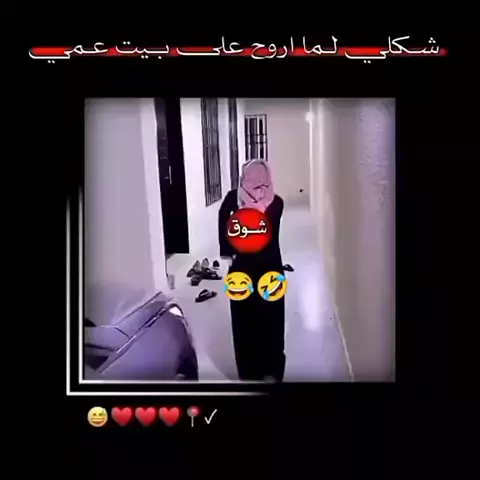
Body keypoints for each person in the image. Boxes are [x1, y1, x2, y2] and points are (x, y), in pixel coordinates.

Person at [218, 160, 286, 381]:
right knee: (272, 321)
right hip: (271, 268)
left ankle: (248, 372)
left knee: (243, 322)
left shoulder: (233, 199)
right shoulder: (276, 202)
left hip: (241, 268)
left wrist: (228, 252)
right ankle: (272, 371)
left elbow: (222, 219)